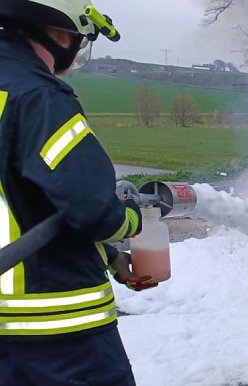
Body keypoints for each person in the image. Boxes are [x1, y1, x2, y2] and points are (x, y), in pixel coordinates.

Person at [0, 1, 156, 384]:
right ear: (57, 32)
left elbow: (20, 204)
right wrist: (131, 219)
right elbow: (94, 210)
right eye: (79, 37)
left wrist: (108, 255)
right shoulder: (39, 96)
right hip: (54, 330)